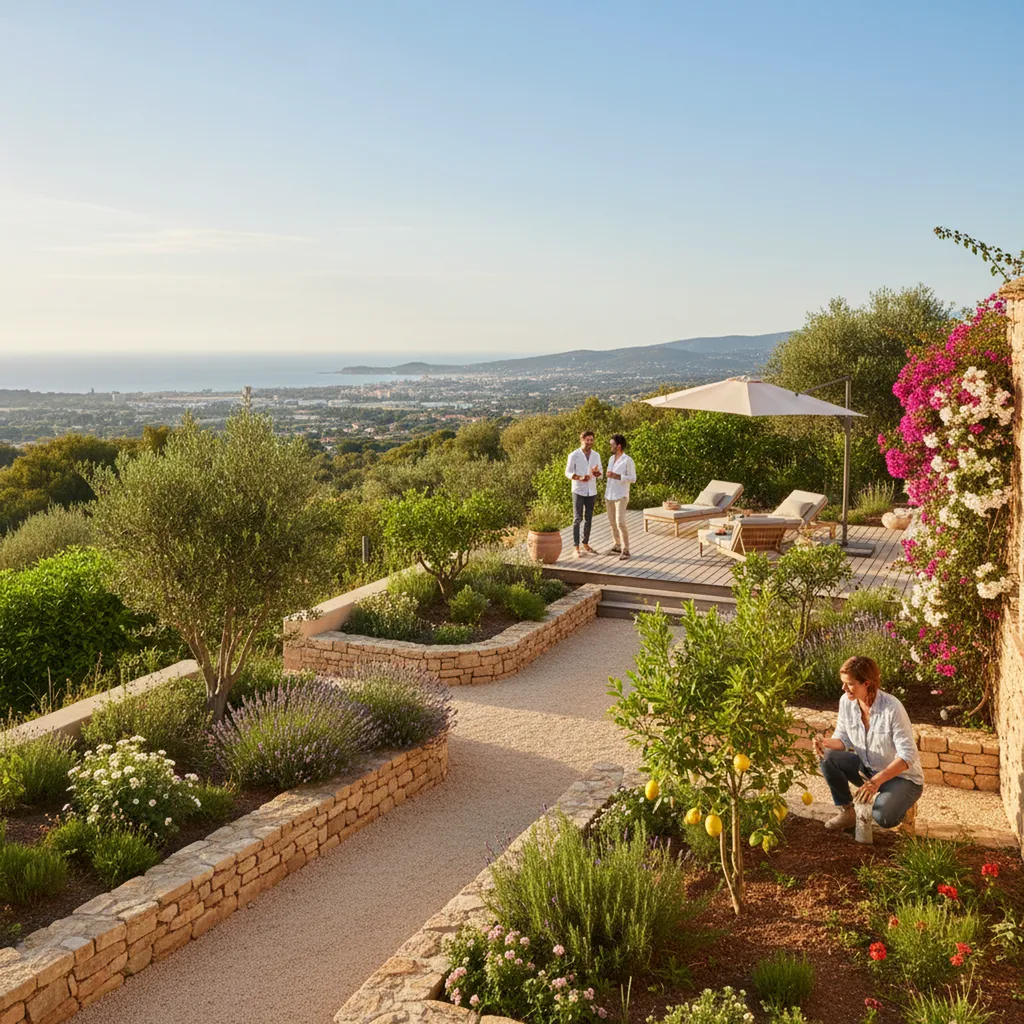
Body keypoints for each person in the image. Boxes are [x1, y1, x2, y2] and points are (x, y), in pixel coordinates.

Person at [814, 656, 924, 832]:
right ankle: (847, 812)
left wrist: (876, 782)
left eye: (849, 684)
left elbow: (907, 755)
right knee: (828, 757)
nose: (843, 688)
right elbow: (843, 739)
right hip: (868, 770)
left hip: (903, 778)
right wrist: (824, 743)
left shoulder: (892, 708)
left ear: (866, 683)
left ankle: (905, 804)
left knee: (883, 817)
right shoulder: (846, 702)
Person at [565, 429, 602, 558]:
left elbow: (600, 472)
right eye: (587, 440)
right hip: (578, 490)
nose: (590, 442)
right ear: (582, 440)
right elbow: (568, 473)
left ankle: (585, 543)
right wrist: (580, 478)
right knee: (577, 519)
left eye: (591, 440)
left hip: (591, 490)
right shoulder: (573, 455)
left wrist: (597, 473)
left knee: (589, 519)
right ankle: (576, 547)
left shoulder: (596, 455)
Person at [604, 433, 636, 560]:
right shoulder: (611, 459)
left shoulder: (628, 460)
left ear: (619, 446)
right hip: (609, 494)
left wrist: (618, 476)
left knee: (620, 522)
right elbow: (609, 475)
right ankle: (617, 545)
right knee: (612, 522)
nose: (610, 447)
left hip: (621, 495)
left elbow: (633, 479)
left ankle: (626, 549)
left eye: (612, 444)